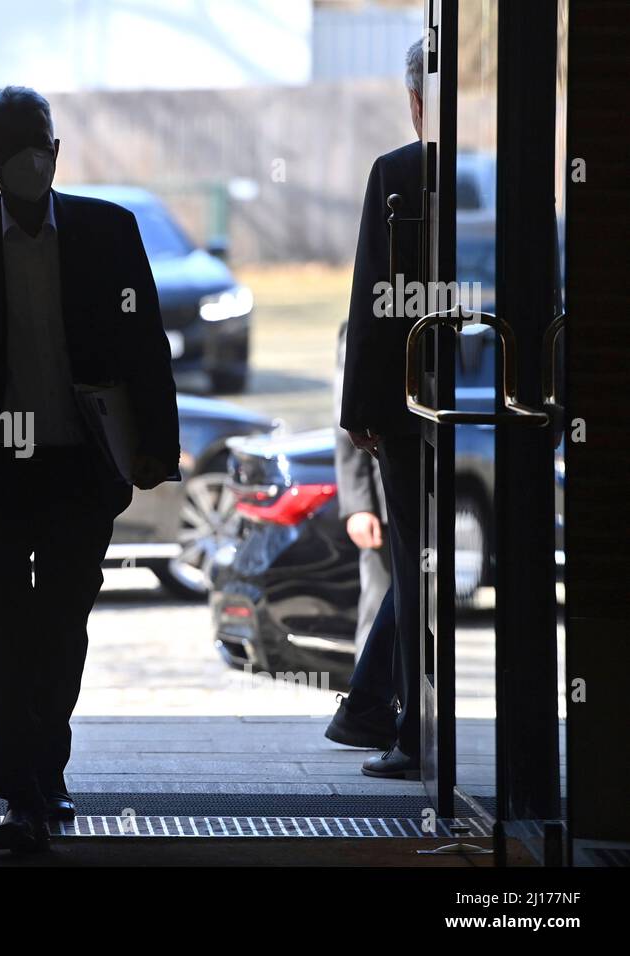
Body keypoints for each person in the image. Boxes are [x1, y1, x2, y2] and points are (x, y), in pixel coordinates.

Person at [0, 86, 178, 852]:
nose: (35, 157)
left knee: (60, 624)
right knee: (7, 628)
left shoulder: (109, 232)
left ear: (59, 150)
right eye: (17, 144)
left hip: (79, 465)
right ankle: (22, 791)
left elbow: (145, 346)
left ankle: (45, 770)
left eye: (42, 140)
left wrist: (156, 449)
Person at [338, 39, 426, 779]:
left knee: (415, 562)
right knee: (421, 567)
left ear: (414, 101)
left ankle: (392, 720)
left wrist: (361, 409)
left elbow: (371, 299)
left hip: (408, 405)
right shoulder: (508, 178)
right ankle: (375, 708)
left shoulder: (397, 173)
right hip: (495, 400)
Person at [325, 320, 398, 750]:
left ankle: (381, 709)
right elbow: (346, 411)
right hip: (386, 494)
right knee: (382, 601)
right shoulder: (362, 322)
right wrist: (359, 503)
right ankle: (367, 707)